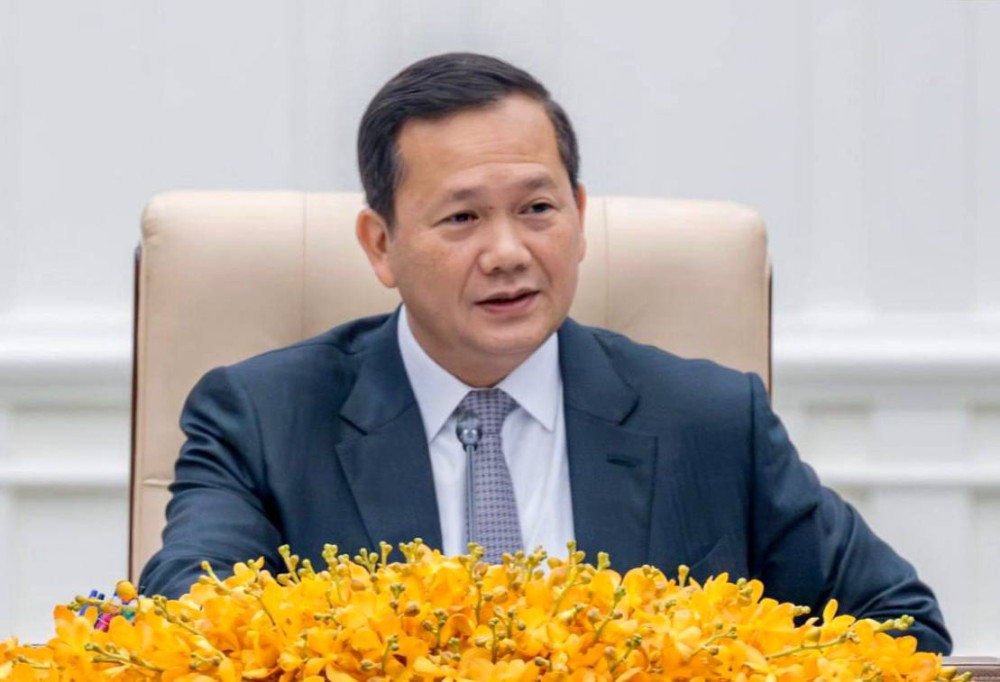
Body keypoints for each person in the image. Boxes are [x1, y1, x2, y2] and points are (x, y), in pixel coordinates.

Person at [138, 52, 951, 653]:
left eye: (537, 208)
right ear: (380, 244)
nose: (508, 253)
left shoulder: (711, 421)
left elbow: (900, 627)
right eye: (462, 219)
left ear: (580, 216)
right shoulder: (263, 420)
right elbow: (194, 633)